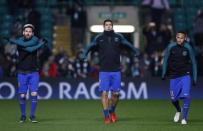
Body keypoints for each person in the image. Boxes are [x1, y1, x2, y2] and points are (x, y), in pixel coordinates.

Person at [82, 19, 140, 124]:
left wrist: (135, 50)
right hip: (104, 70)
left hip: (116, 70)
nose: (108, 26)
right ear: (103, 26)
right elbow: (90, 46)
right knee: (104, 93)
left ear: (112, 26)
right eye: (106, 25)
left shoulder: (119, 37)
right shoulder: (99, 38)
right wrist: (85, 54)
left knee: (116, 94)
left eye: (110, 25)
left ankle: (112, 111)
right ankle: (106, 116)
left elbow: (127, 44)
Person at [3, 24, 47, 123]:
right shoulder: (20, 42)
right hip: (21, 72)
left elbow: (32, 47)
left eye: (30, 31)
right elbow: (30, 49)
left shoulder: (34, 39)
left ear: (32, 33)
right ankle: (23, 116)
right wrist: (41, 44)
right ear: (23, 32)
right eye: (26, 31)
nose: (28, 33)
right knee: (22, 95)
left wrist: (11, 40)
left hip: (33, 72)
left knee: (34, 94)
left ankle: (32, 116)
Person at [162, 31, 197, 125]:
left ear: (185, 38)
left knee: (186, 96)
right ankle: (178, 110)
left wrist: (194, 77)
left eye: (181, 38)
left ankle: (184, 118)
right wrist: (163, 72)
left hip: (185, 75)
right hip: (174, 76)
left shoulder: (188, 47)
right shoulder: (171, 47)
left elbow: (194, 62)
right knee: (173, 99)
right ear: (176, 37)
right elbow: (165, 60)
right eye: (178, 37)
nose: (179, 39)